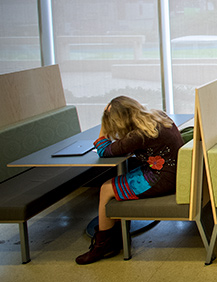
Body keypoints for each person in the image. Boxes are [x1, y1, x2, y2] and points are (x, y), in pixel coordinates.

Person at [75, 96, 184, 265]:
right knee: (118, 182)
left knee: (106, 188)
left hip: (162, 178)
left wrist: (103, 125)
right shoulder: (157, 116)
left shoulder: (138, 135)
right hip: (172, 171)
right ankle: (116, 237)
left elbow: (104, 150)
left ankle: (102, 245)